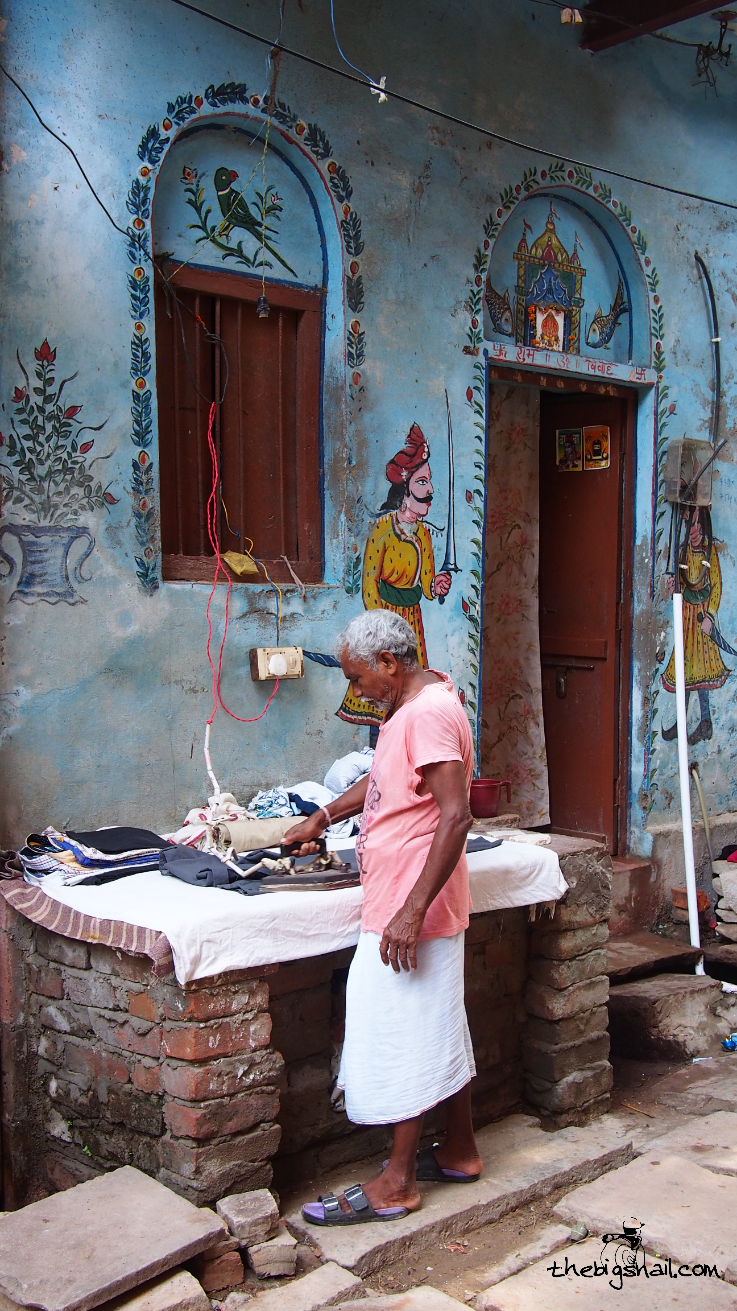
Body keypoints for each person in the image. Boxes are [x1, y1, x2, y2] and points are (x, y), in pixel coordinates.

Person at [285, 610, 482, 1226]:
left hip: (410, 905)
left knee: (403, 1033)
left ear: (389, 664)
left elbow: (456, 816)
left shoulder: (426, 713)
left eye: (356, 677)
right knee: (438, 1024)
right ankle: (460, 1150)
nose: (355, 689)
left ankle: (396, 1182)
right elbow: (387, 779)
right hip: (404, 897)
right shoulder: (419, 703)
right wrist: (326, 814)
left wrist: (410, 911)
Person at [338, 424, 452, 728]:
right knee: (379, 690)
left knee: (410, 694)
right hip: (386, 620)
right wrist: (382, 627)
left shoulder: (424, 534)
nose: (430, 491)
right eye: (423, 482)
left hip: (412, 621)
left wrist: (436, 585)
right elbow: (369, 585)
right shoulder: (384, 529)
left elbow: (426, 585)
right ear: (406, 488)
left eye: (429, 483)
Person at [662, 505, 729, 746]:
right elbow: (680, 583)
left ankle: (705, 722)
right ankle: (682, 721)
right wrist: (672, 587)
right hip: (687, 618)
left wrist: (710, 616)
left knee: (701, 669)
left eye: (693, 522)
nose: (690, 528)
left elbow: (717, 585)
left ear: (702, 524)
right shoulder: (682, 551)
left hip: (701, 619)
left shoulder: (709, 551)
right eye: (686, 521)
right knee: (685, 667)